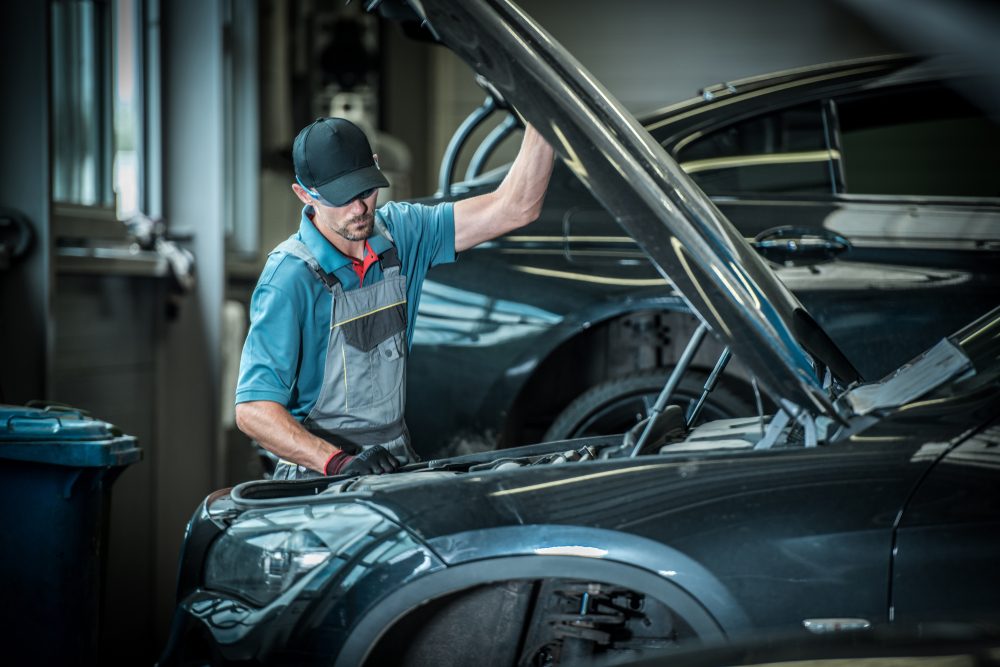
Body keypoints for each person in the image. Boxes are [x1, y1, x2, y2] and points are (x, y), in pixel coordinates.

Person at [235, 116, 554, 480]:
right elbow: (253, 410)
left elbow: (516, 207)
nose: (359, 209)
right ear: (304, 194)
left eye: (366, 190)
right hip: (320, 479)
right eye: (342, 197)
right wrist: (338, 462)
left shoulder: (403, 234)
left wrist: (543, 117)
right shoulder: (289, 279)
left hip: (393, 465)